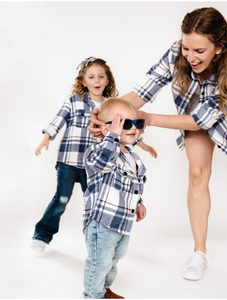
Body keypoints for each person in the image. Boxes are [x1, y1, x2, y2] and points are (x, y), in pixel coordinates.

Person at [88, 7, 227, 280]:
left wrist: (149, 119)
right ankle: (199, 252)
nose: (190, 56)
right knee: (197, 172)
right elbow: (142, 92)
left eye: (199, 51)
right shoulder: (179, 53)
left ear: (219, 47)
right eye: (187, 48)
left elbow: (203, 119)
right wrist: (104, 113)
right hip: (192, 115)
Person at [31, 57, 154, 253]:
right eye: (91, 77)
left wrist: (142, 143)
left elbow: (123, 129)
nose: (96, 81)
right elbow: (58, 120)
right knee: (61, 199)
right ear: (83, 81)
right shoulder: (74, 102)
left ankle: (97, 240)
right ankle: (42, 235)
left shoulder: (111, 106)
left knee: (99, 203)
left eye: (101, 77)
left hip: (96, 167)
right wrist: (46, 137)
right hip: (69, 162)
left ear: (107, 80)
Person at [83, 98, 147, 299]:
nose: (133, 128)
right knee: (99, 262)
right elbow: (102, 163)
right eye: (124, 123)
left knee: (113, 261)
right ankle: (92, 295)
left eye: (137, 123)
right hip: (101, 223)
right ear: (105, 130)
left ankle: (104, 290)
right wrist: (112, 137)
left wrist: (139, 203)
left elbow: (135, 184)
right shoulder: (97, 152)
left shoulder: (133, 158)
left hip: (123, 224)